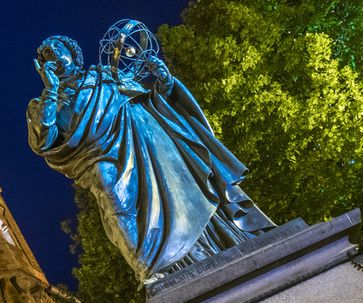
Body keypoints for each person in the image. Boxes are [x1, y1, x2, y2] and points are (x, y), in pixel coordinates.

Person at [27, 35, 274, 283]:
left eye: (58, 48)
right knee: (114, 198)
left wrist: (164, 80)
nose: (54, 55)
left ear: (73, 52)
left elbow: (152, 101)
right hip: (99, 157)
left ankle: (211, 246)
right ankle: (151, 269)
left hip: (148, 141)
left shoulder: (104, 75)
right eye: (47, 54)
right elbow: (44, 140)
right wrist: (50, 89)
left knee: (183, 192)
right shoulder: (45, 102)